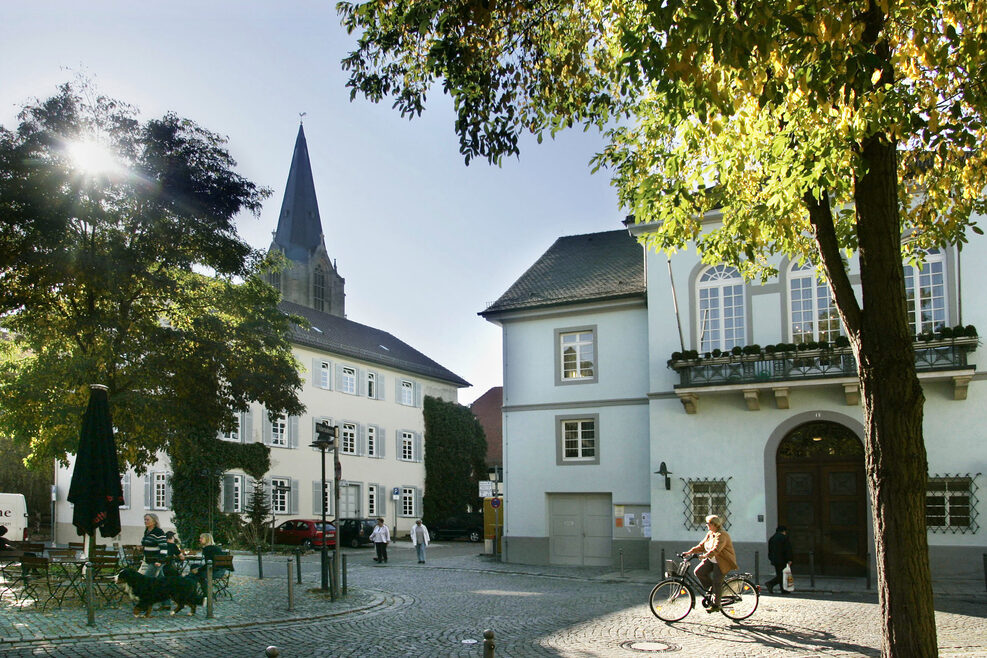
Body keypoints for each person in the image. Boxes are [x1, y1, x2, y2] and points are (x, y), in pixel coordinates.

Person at [684, 514, 738, 612]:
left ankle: (717, 605)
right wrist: (689, 552)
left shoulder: (722, 535)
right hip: (712, 560)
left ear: (714, 524)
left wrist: (705, 555)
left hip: (722, 562)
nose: (706, 525)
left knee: (717, 582)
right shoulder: (710, 533)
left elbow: (716, 549)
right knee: (699, 572)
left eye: (708, 523)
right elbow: (701, 546)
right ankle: (713, 591)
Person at [764, 525, 794, 595]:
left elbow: (770, 550)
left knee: (780, 574)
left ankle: (783, 590)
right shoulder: (784, 538)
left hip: (775, 559)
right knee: (783, 575)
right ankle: (770, 583)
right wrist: (790, 559)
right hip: (783, 559)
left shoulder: (772, 538)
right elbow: (788, 549)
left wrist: (771, 558)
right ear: (783, 531)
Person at [139, 513, 167, 578]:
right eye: (145, 520)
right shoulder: (147, 531)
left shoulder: (158, 532)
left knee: (147, 579)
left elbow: (164, 548)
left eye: (147, 520)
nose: (145, 521)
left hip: (156, 560)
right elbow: (146, 544)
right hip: (148, 560)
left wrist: (160, 560)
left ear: (154, 521)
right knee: (160, 580)